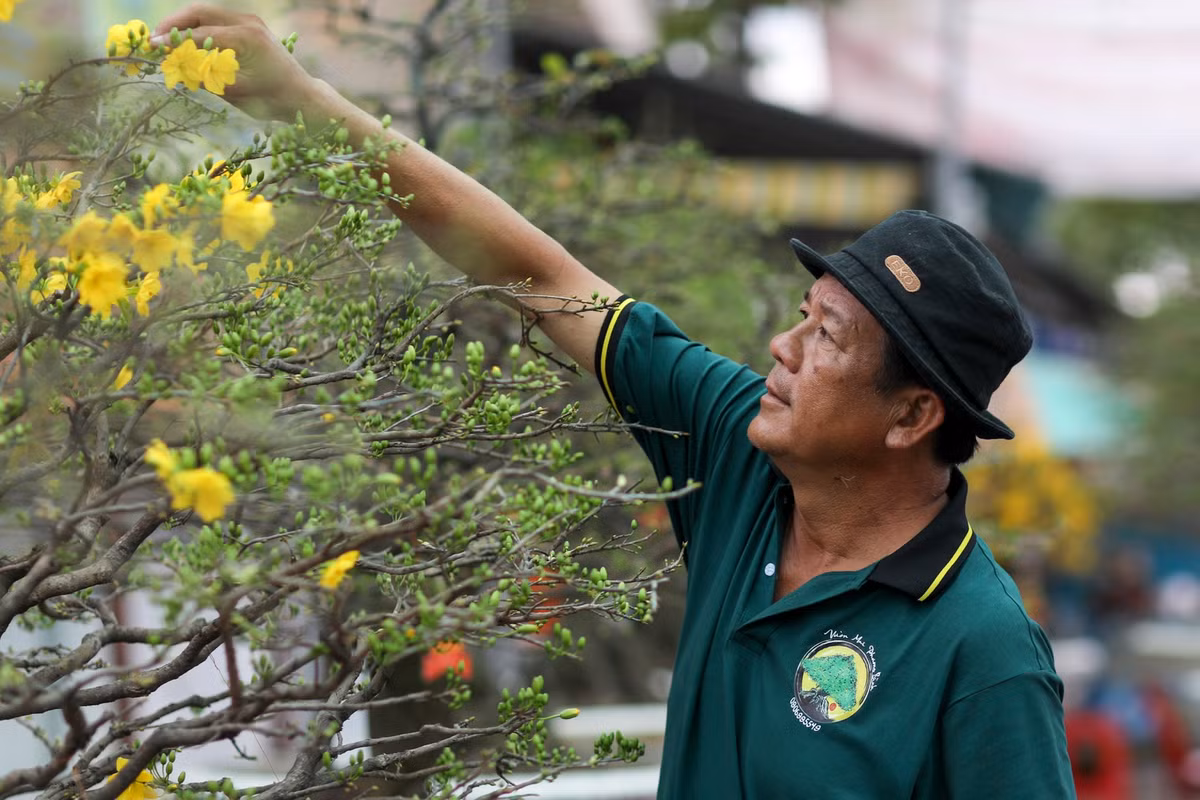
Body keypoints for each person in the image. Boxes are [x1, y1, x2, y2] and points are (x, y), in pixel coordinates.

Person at [154, 6, 1075, 797]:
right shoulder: (736, 454)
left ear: (912, 416)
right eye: (803, 314)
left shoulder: (981, 653)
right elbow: (535, 272)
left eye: (827, 339)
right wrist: (298, 101)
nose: (782, 348)